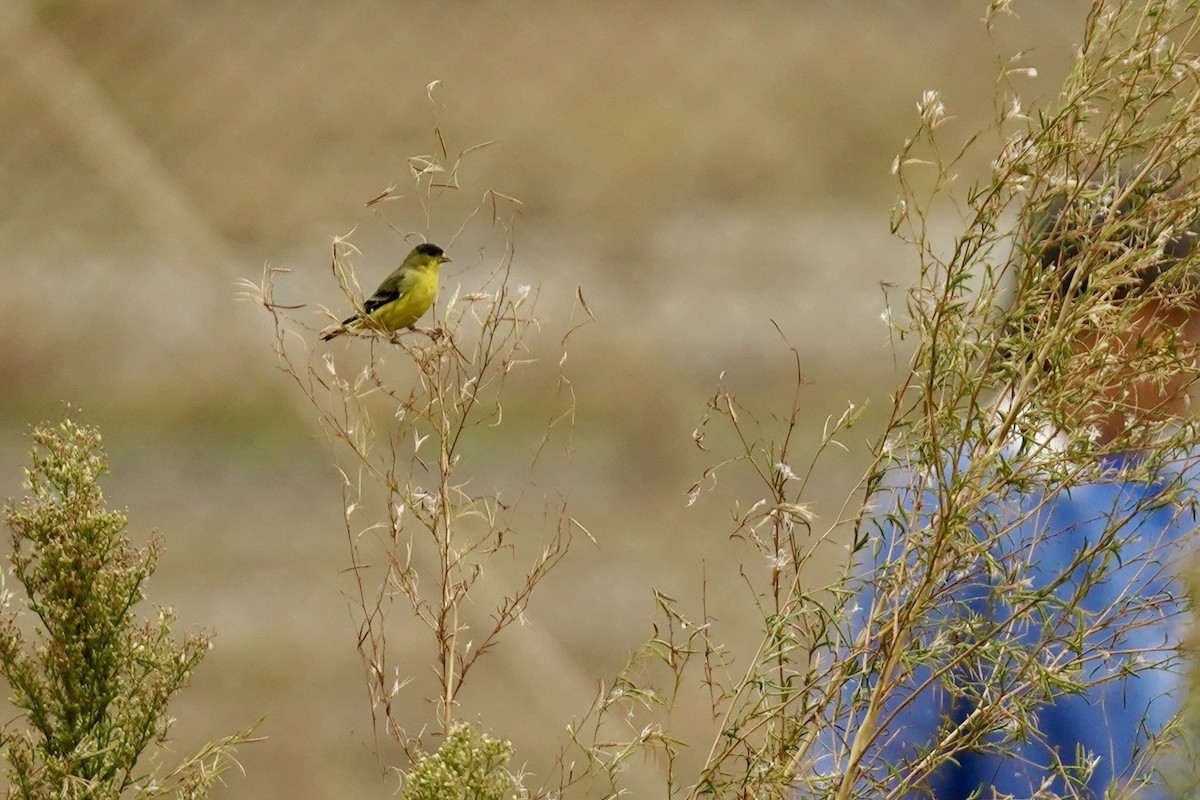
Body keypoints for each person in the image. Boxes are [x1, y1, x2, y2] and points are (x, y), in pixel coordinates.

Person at [833, 179, 1200, 798]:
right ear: (1075, 321)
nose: (1189, 353)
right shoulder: (960, 504)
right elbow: (876, 761)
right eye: (1166, 323)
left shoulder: (1181, 483)